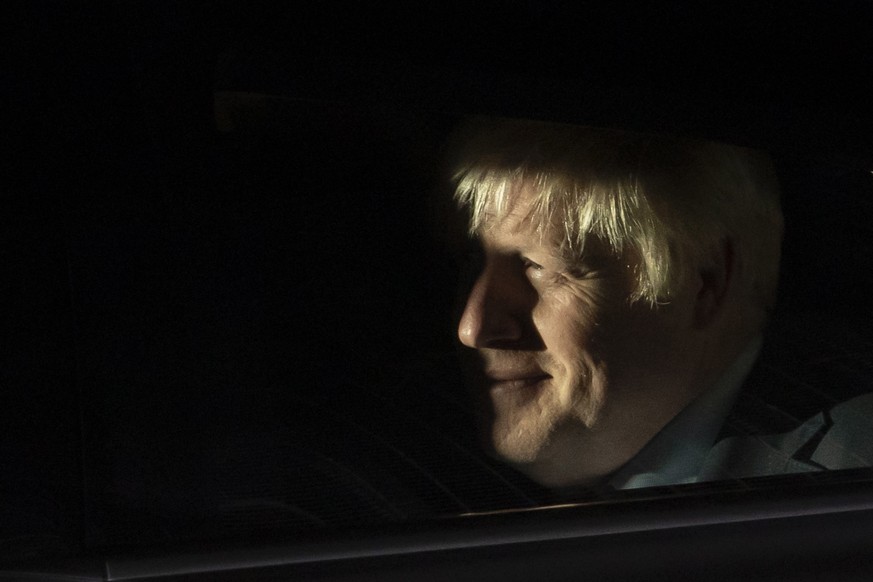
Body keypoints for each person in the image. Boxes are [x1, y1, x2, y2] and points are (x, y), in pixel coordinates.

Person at [445, 116, 873, 491]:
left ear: (706, 282)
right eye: (471, 261)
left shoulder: (853, 475)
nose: (473, 326)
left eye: (537, 266)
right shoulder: (410, 455)